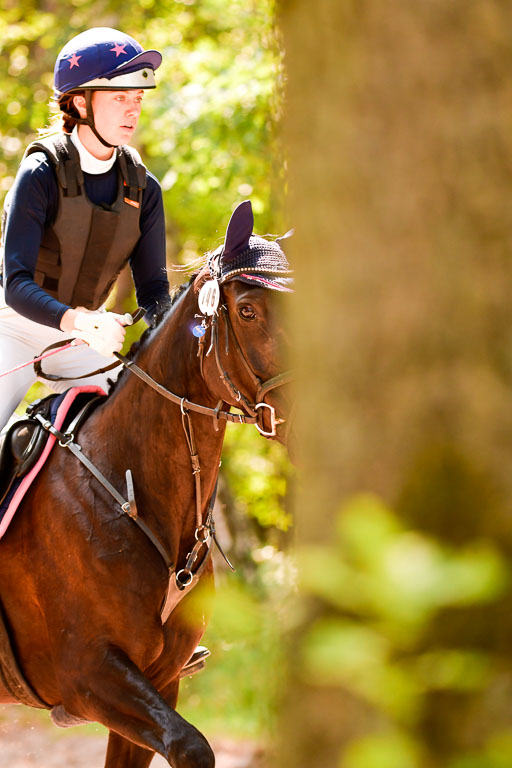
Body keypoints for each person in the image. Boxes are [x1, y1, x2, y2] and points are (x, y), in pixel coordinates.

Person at [0, 27, 170, 431]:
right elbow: (17, 284)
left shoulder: (145, 189)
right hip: (14, 328)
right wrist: (81, 320)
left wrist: (196, 327)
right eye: (119, 98)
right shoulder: (39, 172)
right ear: (80, 103)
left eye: (137, 99)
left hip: (85, 342)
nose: (133, 110)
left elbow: (154, 294)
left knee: (136, 432)